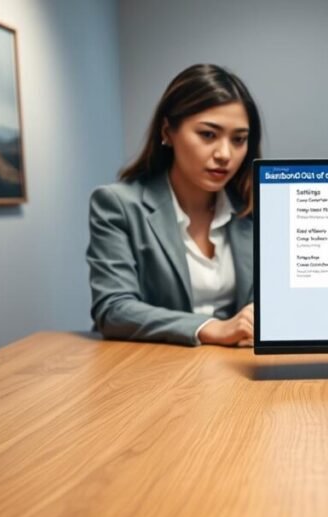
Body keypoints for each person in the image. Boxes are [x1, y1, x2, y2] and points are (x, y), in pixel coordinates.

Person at [86, 64, 261, 346]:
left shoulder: (255, 208)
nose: (225, 154)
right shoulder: (117, 204)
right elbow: (113, 309)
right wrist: (211, 328)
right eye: (208, 134)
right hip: (150, 370)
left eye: (238, 139)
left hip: (237, 369)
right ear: (167, 131)